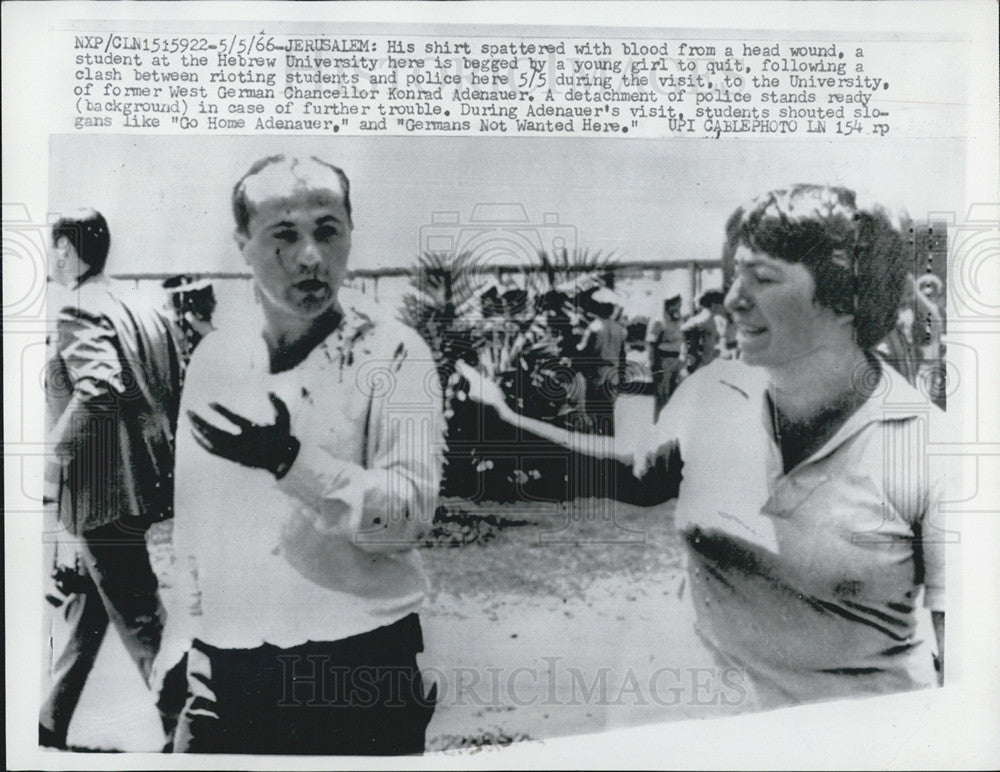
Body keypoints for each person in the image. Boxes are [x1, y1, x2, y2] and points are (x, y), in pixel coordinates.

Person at [458, 184, 947, 710]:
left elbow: (970, 676)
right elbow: (639, 477)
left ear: (844, 299)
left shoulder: (933, 449)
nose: (733, 300)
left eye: (762, 279)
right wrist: (507, 425)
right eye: (737, 275)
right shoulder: (714, 391)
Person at [166, 155, 444, 754]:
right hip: (227, 669)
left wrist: (293, 462)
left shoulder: (395, 353)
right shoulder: (216, 358)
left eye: (327, 230)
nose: (311, 257)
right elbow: (193, 522)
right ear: (243, 244)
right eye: (284, 235)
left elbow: (407, 521)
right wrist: (183, 638)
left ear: (350, 233)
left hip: (357, 669)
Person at [41, 208, 183, 749]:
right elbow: (169, 383)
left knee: (141, 616)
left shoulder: (78, 306)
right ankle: (50, 721)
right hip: (136, 487)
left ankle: (191, 728)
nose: (50, 260)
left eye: (52, 248)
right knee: (92, 602)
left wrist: (50, 463)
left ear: (65, 251)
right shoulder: (140, 305)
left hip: (99, 491)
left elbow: (98, 388)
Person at [645, 294, 684, 420]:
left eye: (679, 305)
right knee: (662, 395)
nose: (678, 308)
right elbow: (651, 343)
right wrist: (652, 363)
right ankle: (658, 425)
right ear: (668, 304)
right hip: (663, 360)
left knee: (675, 396)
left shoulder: (679, 320)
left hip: (676, 360)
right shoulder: (659, 320)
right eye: (675, 305)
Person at [680, 289, 727, 373]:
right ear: (714, 305)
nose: (723, 307)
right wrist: (693, 351)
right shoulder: (705, 318)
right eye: (721, 304)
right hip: (701, 363)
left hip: (707, 361)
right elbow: (684, 329)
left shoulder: (711, 318)